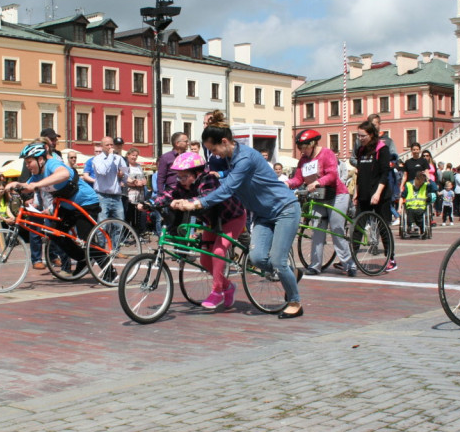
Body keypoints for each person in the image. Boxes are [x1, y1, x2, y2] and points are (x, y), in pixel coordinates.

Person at [173, 120, 304, 319]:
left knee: (278, 260)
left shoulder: (245, 158)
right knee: (257, 258)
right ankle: (291, 274)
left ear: (225, 141)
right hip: (262, 215)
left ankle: (294, 301)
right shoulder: (230, 159)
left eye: (214, 149)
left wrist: (198, 204)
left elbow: (229, 188)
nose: (213, 154)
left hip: (284, 209)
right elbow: (227, 181)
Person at [145, 151, 246, 309]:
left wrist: (186, 202)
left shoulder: (209, 179)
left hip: (232, 218)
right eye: (179, 177)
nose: (181, 180)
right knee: (205, 260)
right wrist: (151, 203)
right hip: (212, 221)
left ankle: (217, 291)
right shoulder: (182, 185)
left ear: (197, 173)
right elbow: (169, 193)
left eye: (184, 176)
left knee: (219, 251)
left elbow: (206, 196)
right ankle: (228, 287)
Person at [5, 142, 100, 276]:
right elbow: (27, 185)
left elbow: (64, 174)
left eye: (29, 162)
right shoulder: (37, 174)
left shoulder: (52, 164)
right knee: (54, 232)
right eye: (26, 163)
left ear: (40, 159)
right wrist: (16, 184)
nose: (27, 166)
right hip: (68, 206)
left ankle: (110, 273)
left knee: (87, 240)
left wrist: (36, 185)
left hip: (86, 203)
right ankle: (83, 257)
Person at [287, 129, 356, 276]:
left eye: (304, 147)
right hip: (319, 197)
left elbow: (332, 174)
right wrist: (287, 183)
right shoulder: (304, 160)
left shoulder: (327, 154)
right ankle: (315, 265)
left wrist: (318, 182)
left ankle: (349, 263)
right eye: (300, 148)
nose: (302, 151)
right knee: (317, 230)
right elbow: (298, 179)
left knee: (337, 229)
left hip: (337, 194)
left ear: (312, 144)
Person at [352, 119, 397, 272]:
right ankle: (352, 258)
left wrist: (377, 193)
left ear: (371, 135)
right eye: (358, 136)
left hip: (379, 195)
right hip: (364, 194)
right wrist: (356, 192)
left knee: (383, 226)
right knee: (357, 226)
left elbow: (385, 173)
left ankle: (391, 258)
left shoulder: (382, 149)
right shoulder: (360, 150)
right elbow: (360, 174)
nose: (360, 139)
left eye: (362, 136)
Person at [92, 136, 128, 222]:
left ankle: (116, 236)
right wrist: (111, 156)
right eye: (107, 145)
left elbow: (126, 173)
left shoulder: (119, 158)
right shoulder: (97, 159)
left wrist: (122, 175)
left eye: (111, 144)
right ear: (102, 146)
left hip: (116, 196)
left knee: (119, 224)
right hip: (102, 196)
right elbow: (102, 171)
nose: (110, 147)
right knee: (102, 224)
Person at [400, 170, 433, 237]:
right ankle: (410, 225)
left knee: (419, 214)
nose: (420, 183)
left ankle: (421, 227)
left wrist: (428, 178)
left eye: (422, 181)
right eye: (419, 181)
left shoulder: (425, 185)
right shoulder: (408, 185)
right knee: (410, 214)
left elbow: (435, 188)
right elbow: (402, 196)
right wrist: (399, 208)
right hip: (410, 207)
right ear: (415, 179)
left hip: (421, 207)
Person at [124, 148, 148, 233]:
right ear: (128, 155)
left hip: (140, 194)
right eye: (133, 155)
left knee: (138, 214)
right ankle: (126, 232)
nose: (134, 157)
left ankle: (137, 231)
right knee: (129, 214)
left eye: (136, 155)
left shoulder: (139, 166)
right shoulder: (125, 165)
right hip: (129, 194)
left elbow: (144, 177)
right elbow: (124, 180)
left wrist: (145, 181)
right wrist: (135, 183)